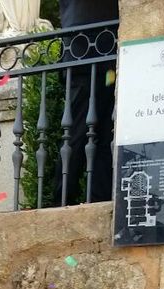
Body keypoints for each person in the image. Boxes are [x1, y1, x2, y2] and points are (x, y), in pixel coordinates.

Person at [54, 0, 118, 205]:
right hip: (83, 55)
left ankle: (99, 198)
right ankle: (62, 200)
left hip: (109, 59)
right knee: (76, 133)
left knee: (106, 133)